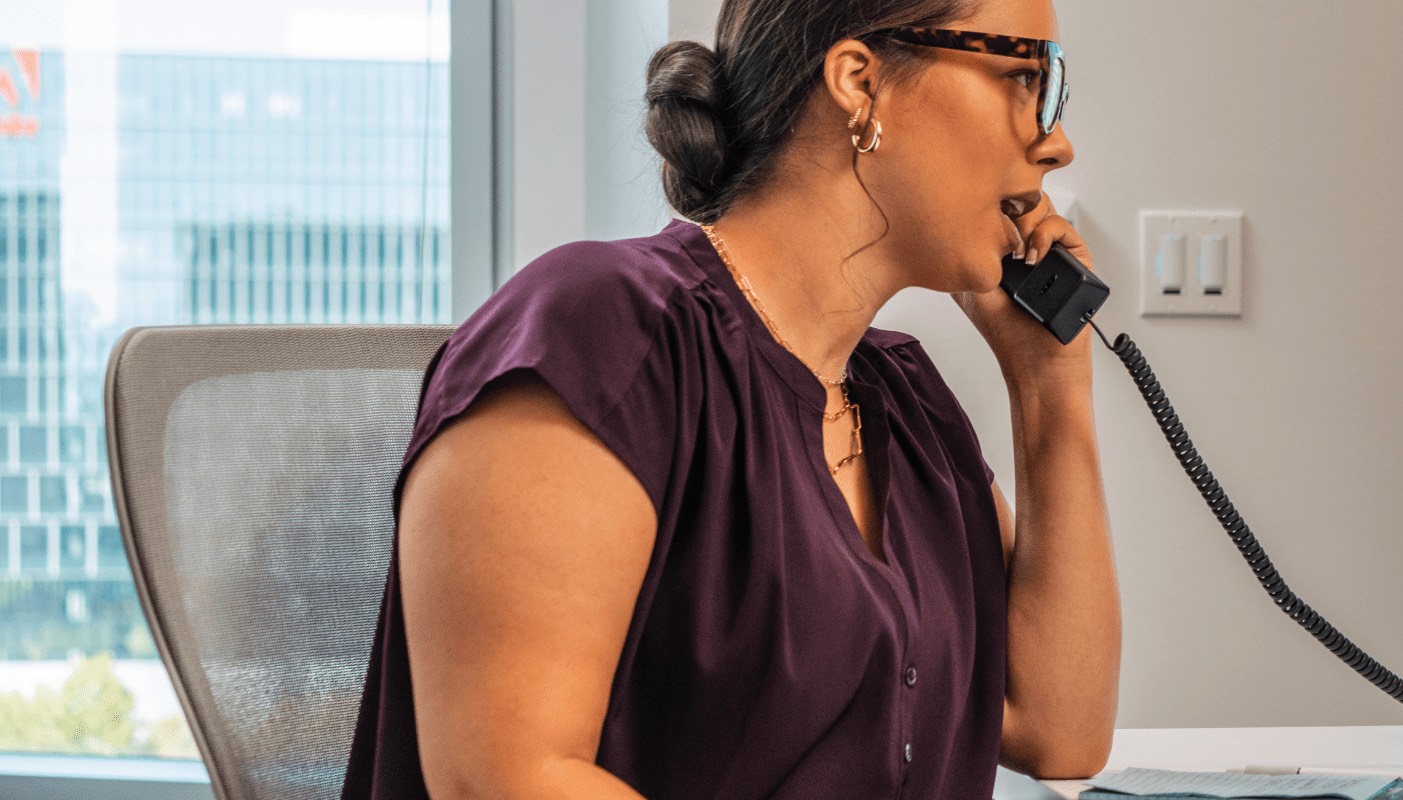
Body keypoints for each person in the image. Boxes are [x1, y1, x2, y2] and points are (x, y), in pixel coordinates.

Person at [340, 0, 1118, 796]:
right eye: (1024, 75)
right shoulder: (599, 333)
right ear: (860, 81)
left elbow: (1061, 733)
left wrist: (1050, 388)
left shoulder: (907, 402)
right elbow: (503, 779)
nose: (1055, 143)